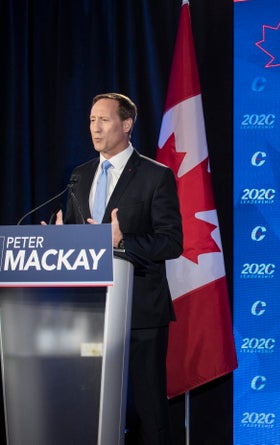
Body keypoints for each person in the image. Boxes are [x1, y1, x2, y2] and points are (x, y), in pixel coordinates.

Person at [58, 92, 183, 444]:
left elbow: (171, 243)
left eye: (104, 120)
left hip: (140, 311)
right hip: (90, 312)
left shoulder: (155, 176)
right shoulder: (80, 176)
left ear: (127, 124)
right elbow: (76, 236)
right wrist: (59, 239)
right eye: (91, 121)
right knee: (90, 404)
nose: (94, 128)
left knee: (148, 409)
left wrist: (121, 243)